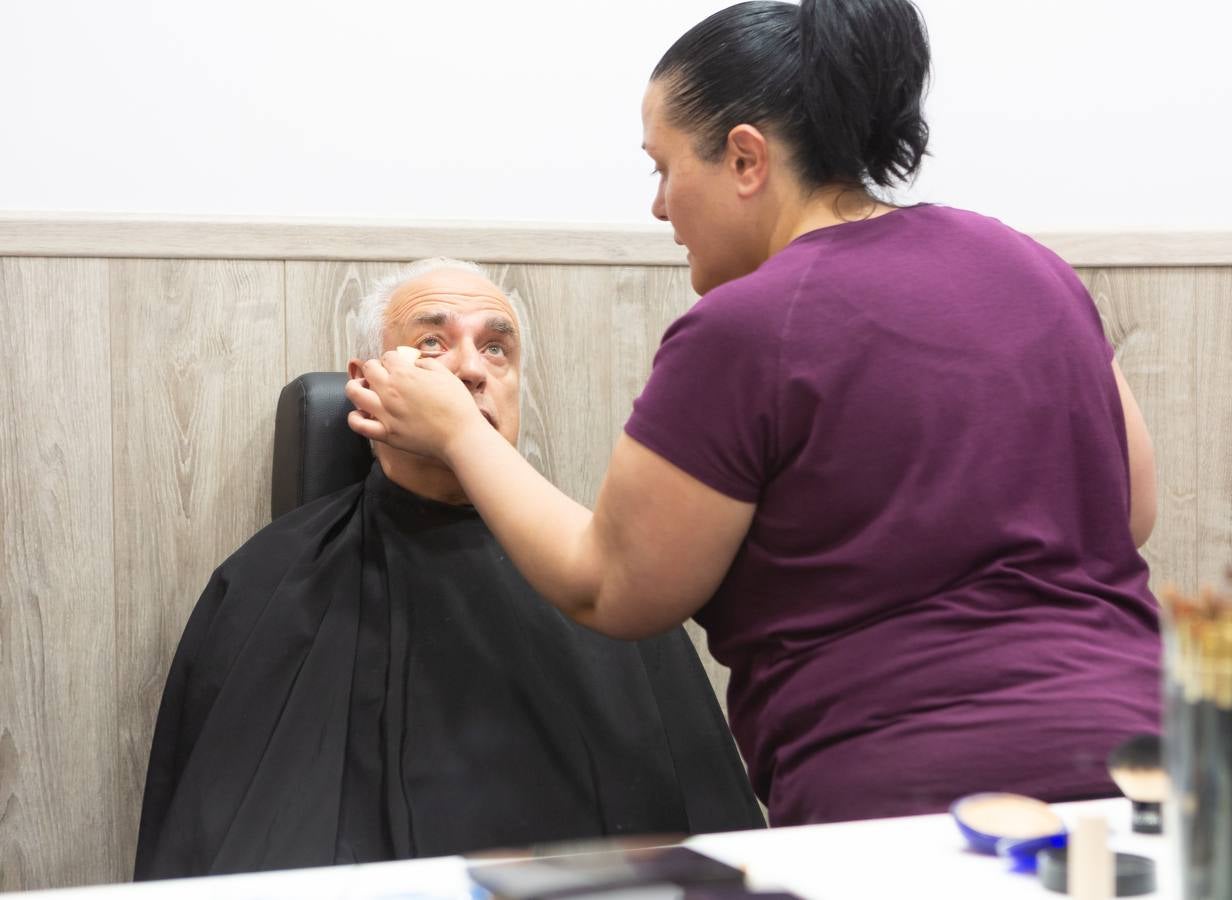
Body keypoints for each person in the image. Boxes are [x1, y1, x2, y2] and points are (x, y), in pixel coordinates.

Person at [346, 0, 1161, 826]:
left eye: (664, 169)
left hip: (912, 810)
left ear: (745, 159)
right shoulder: (1028, 267)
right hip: (1152, 764)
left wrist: (453, 429)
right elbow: (1128, 510)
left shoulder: (747, 327)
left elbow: (611, 588)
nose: (659, 207)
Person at [134, 259, 762, 880]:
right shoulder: (268, 582)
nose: (468, 369)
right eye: (431, 343)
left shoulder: (600, 575)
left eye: (496, 350)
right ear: (366, 382)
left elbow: (705, 841)